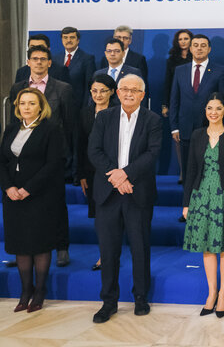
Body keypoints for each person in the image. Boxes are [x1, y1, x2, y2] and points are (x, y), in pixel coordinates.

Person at [88, 74, 162, 323]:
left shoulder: (152, 120)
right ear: (117, 93)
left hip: (137, 192)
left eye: (135, 90)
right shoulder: (104, 117)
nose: (129, 93)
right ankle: (109, 301)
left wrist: (126, 174)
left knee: (140, 248)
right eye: (125, 89)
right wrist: (116, 177)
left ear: (142, 95)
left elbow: (152, 154)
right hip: (108, 193)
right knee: (108, 251)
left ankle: (141, 297)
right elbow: (94, 151)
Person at [9, 45, 76, 268]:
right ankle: (23, 250)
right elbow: (14, 123)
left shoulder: (63, 88)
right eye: (34, 59)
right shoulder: (18, 87)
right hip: (24, 160)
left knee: (56, 205)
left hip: (53, 157)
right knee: (26, 210)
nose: (38, 62)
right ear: (28, 62)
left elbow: (70, 125)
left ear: (50, 63)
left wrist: (68, 159)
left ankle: (61, 247)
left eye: (43, 59)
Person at [182, 93, 224, 318]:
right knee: (207, 247)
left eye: (218, 108)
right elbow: (190, 170)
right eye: (210, 108)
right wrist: (186, 203)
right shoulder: (197, 135)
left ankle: (223, 294)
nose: (213, 112)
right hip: (201, 198)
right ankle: (211, 293)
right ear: (205, 111)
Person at [0, 88, 66, 313]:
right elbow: (2, 161)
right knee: (20, 244)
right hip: (13, 197)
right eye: (22, 104)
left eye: (31, 103)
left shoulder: (50, 130)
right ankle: (25, 290)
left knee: (39, 244)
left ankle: (40, 291)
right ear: (17, 107)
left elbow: (54, 164)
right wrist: (8, 186)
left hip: (40, 196)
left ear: (41, 106)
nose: (26, 107)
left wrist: (28, 188)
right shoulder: (10, 129)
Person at [169, 34, 224, 198]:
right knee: (189, 171)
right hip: (185, 130)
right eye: (195, 45)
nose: (199, 48)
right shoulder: (180, 70)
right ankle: (188, 208)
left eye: (203, 45)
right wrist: (174, 127)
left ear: (209, 49)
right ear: (190, 49)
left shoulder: (220, 70)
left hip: (211, 130)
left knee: (209, 170)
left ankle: (208, 207)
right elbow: (174, 100)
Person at [77, 74, 117, 271]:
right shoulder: (84, 113)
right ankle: (104, 254)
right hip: (92, 174)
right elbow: (80, 145)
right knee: (99, 216)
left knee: (114, 215)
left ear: (111, 92)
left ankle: (111, 253)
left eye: (103, 90)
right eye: (94, 91)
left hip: (115, 171)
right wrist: (81, 174)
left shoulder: (119, 113)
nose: (98, 95)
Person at [58, 26, 96, 109]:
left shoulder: (87, 59)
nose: (68, 40)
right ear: (62, 40)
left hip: (78, 106)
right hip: (58, 105)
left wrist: (85, 108)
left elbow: (88, 86)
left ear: (78, 40)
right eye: (65, 38)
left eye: (72, 37)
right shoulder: (55, 58)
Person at [161, 29, 193, 117]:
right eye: (180, 39)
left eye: (186, 39)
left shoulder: (196, 58)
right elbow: (168, 83)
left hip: (193, 98)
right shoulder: (171, 60)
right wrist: (165, 105)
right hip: (176, 98)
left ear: (191, 40)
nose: (183, 42)